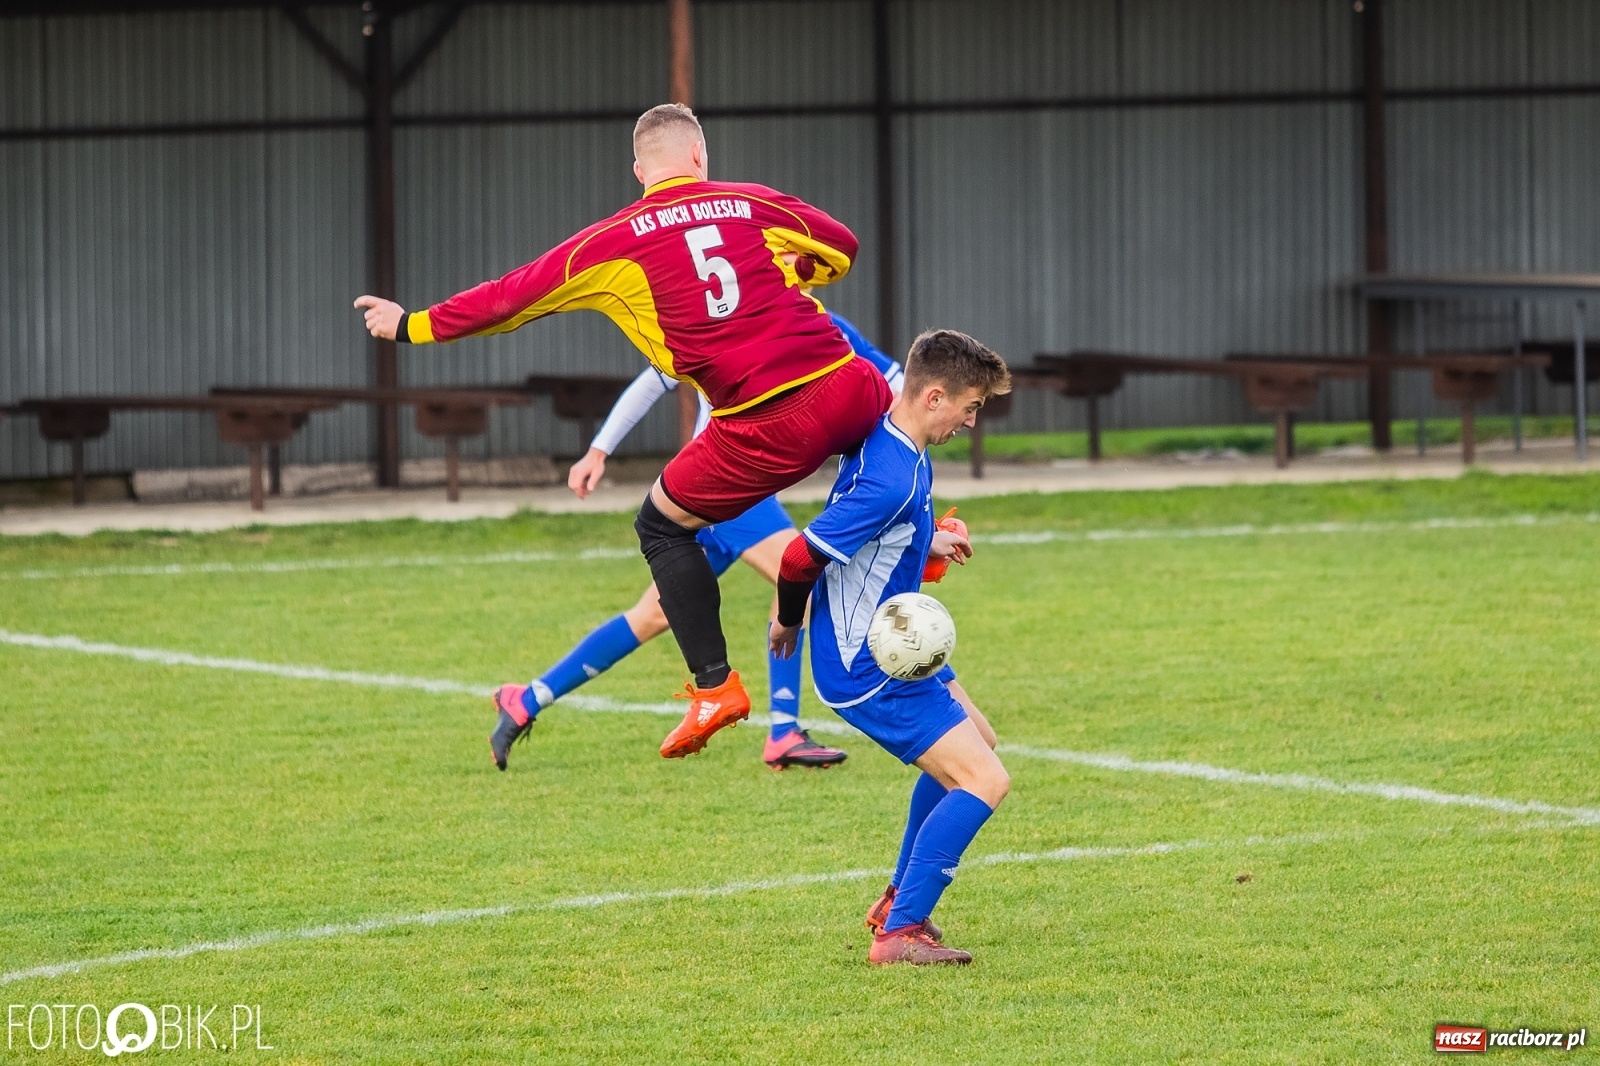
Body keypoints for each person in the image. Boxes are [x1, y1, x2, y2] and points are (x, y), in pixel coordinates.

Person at [355, 103, 890, 760]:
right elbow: (842, 245)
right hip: (845, 386)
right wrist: (802, 273)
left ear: (639, 170)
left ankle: (719, 689)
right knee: (668, 603)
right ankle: (912, 543)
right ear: (701, 156)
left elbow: (508, 298)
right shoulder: (750, 202)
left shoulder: (613, 241)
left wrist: (411, 324)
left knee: (663, 528)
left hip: (758, 430)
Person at [489, 311, 903, 773]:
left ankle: (525, 699)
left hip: (745, 494)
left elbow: (898, 383)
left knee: (651, 616)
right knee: (798, 576)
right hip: (721, 485)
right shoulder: (742, 315)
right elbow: (656, 379)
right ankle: (783, 731)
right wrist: (599, 449)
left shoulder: (823, 323)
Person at [768, 329, 1013, 965]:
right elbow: (799, 556)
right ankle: (900, 930)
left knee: (976, 745)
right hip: (867, 662)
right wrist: (787, 623)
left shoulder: (896, 438)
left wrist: (924, 540)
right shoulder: (893, 478)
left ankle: (899, 901)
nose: (971, 419)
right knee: (985, 780)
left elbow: (879, 525)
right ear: (935, 396)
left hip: (892, 636)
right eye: (971, 406)